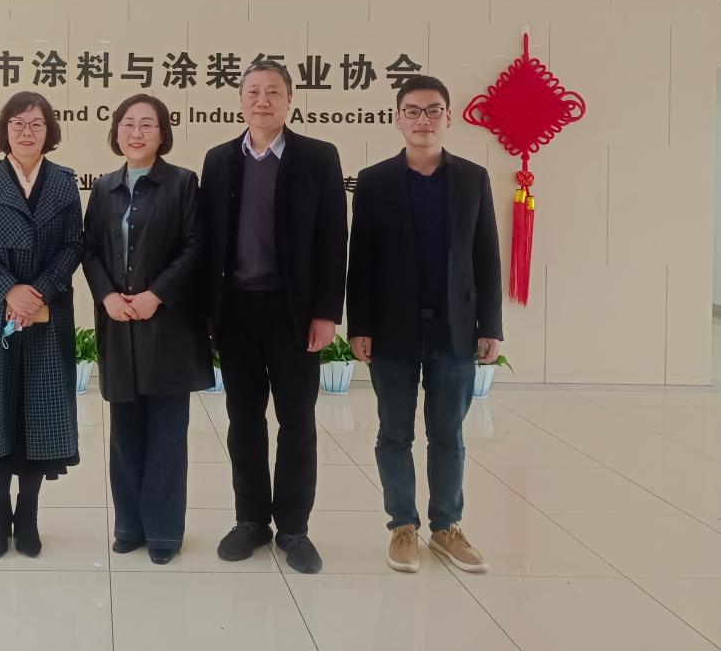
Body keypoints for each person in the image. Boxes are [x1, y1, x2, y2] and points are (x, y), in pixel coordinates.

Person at [347, 74, 502, 574]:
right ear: (397, 118)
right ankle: (402, 524)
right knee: (394, 433)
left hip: (455, 329)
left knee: (448, 434)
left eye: (433, 110)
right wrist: (359, 325)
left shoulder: (473, 178)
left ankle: (446, 526)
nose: (423, 119)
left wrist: (490, 325)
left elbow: (486, 256)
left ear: (448, 117)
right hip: (392, 329)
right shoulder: (374, 181)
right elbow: (360, 260)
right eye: (412, 111)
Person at [200, 59, 348, 574]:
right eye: (253, 92)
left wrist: (326, 312)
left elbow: (333, 239)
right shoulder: (219, 160)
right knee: (243, 421)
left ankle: (293, 528)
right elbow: (207, 241)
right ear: (240, 100)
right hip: (235, 311)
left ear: (289, 100)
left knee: (297, 421)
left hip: (294, 313)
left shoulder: (318, 157)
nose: (262, 100)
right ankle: (250, 520)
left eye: (273, 92)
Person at [82, 95, 211, 565]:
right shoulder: (104, 187)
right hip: (118, 324)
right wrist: (107, 296)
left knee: (166, 435)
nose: (135, 133)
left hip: (168, 326)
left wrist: (156, 294)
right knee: (124, 432)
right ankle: (128, 525)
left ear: (162, 133)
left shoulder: (182, 183)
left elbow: (197, 246)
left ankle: (163, 531)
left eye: (146, 125)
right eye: (127, 124)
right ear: (116, 131)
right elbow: (88, 248)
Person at [0, 91, 84, 559]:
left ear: (49, 131)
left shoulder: (65, 182)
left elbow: (74, 244)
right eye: (18, 124)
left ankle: (27, 512)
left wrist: (39, 291)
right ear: (4, 130)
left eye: (36, 124)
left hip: (47, 311)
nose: (26, 132)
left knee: (39, 414)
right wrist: (9, 288)